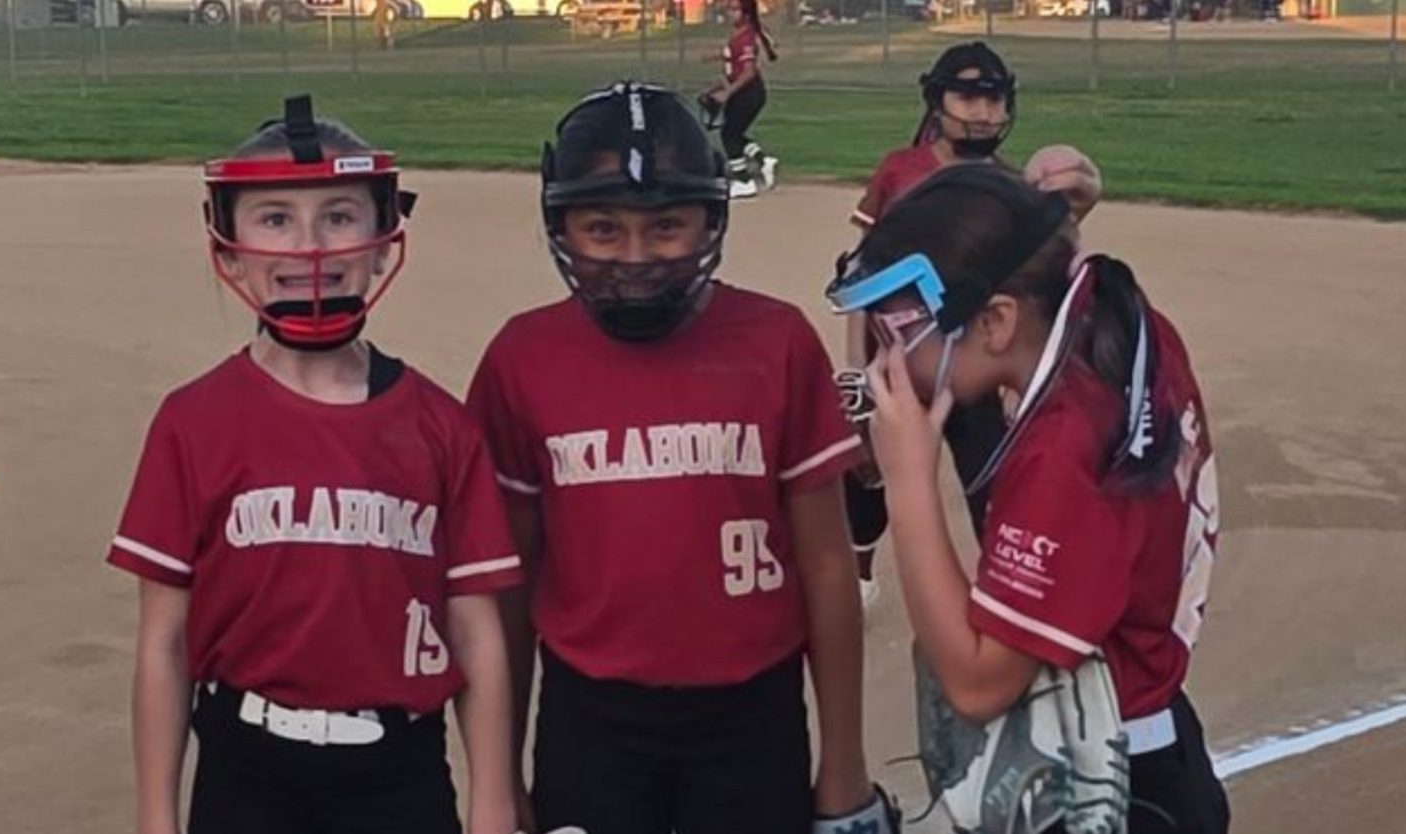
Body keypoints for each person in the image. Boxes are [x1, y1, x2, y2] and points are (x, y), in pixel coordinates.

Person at [469, 81, 896, 834]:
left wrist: (843, 764)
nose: (635, 257)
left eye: (666, 226)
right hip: (591, 713)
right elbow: (510, 585)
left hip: (750, 710)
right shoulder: (521, 358)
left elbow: (827, 566)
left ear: (711, 220)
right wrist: (499, 782)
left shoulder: (775, 341)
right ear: (560, 225)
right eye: (603, 229)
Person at [108, 95, 522, 834]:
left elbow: (476, 633)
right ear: (229, 247)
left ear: (381, 240)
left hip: (398, 771)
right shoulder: (191, 421)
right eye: (275, 219)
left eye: (338, 216)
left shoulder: (441, 427)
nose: (311, 248)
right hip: (246, 766)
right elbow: (164, 642)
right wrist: (154, 819)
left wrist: (491, 804)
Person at [831, 163, 1231, 834]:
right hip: (1161, 745)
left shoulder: (1060, 459)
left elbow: (978, 683)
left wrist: (907, 481)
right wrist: (1045, 224)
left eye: (901, 333)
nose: (884, 365)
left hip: (1103, 785)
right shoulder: (1130, 325)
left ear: (994, 321)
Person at [842, 41, 1103, 608]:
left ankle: (1005, 583)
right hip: (896, 358)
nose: (984, 112)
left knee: (992, 476)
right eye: (968, 97)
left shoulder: (1008, 185)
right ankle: (860, 574)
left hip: (975, 363)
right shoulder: (900, 169)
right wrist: (856, 368)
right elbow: (862, 269)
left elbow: (1037, 277)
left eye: (995, 99)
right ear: (937, 102)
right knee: (864, 474)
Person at [702, 0, 780, 199]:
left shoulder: (745, 36)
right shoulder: (738, 35)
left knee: (729, 134)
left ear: (746, 14)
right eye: (728, 8)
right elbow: (733, 69)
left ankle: (743, 181)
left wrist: (727, 93)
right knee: (734, 133)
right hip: (743, 92)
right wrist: (717, 87)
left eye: (735, 9)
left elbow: (749, 72)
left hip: (749, 93)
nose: (729, 13)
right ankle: (763, 162)